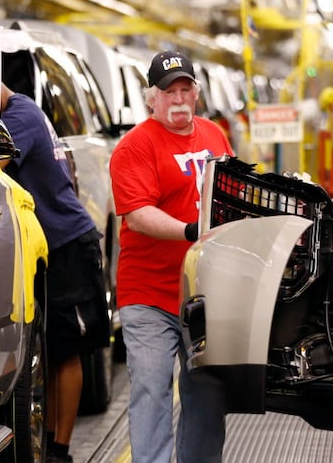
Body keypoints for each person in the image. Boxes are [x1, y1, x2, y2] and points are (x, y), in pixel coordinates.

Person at [109, 50, 235, 463]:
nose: (179, 100)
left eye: (186, 90)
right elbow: (139, 216)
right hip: (148, 294)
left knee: (205, 393)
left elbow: (232, 191)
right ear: (152, 99)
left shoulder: (214, 135)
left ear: (197, 93)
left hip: (202, 294)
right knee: (151, 388)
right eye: (169, 92)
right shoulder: (134, 147)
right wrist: (189, 230)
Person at [0, 84, 110, 463]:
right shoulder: (24, 110)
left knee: (66, 352)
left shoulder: (19, 116)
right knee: (51, 350)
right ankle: (49, 445)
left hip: (67, 244)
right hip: (50, 246)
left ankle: (60, 451)